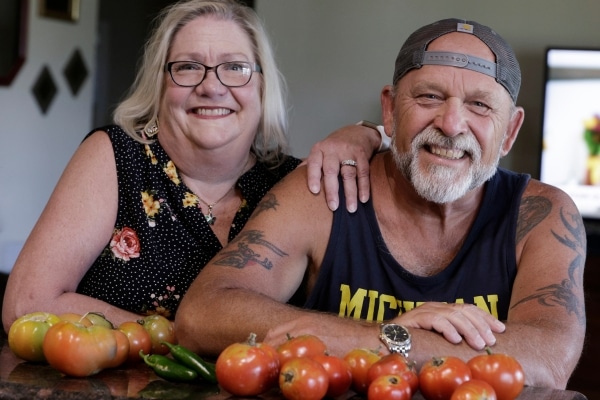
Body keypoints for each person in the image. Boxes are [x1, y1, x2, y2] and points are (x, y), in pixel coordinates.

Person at [176, 18, 587, 389]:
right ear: (389, 111)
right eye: (429, 97)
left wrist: (381, 340)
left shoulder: (542, 215)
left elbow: (547, 362)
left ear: (510, 130)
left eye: (479, 105)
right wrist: (383, 335)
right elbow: (202, 314)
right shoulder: (326, 188)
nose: (451, 124)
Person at [1, 0, 385, 331]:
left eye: (235, 67)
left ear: (262, 89)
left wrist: (369, 133)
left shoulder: (298, 182)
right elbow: (26, 304)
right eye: (187, 67)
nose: (212, 86)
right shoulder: (115, 157)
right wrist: (179, 336)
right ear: (160, 84)